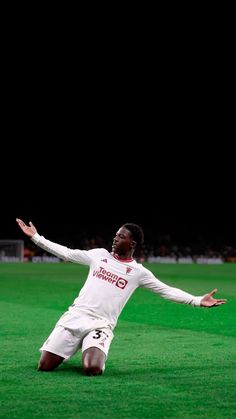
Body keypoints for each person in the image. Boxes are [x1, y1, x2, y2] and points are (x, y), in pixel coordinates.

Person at [16, 218, 227, 376]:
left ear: (132, 243)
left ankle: (90, 346)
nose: (115, 238)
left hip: (101, 324)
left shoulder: (138, 272)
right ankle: (73, 344)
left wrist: (198, 300)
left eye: (121, 236)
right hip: (76, 316)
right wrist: (36, 237)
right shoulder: (99, 255)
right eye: (116, 235)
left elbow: (166, 290)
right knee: (44, 367)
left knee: (92, 369)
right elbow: (67, 253)